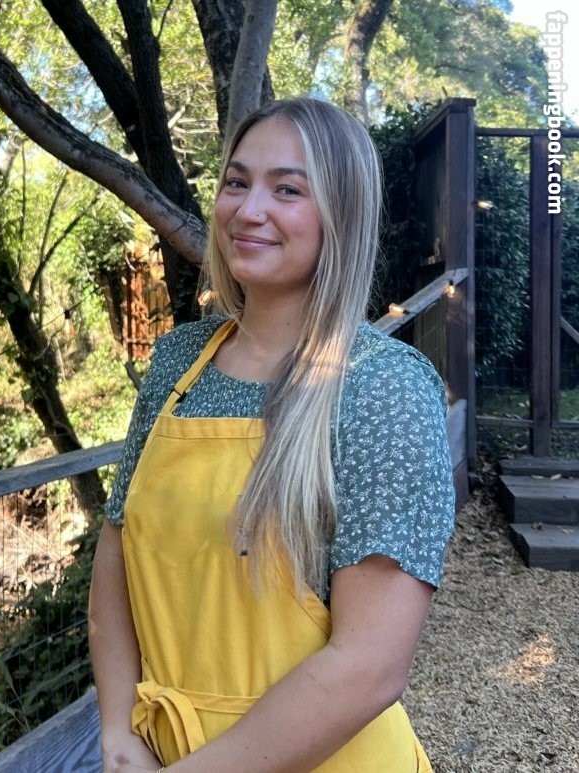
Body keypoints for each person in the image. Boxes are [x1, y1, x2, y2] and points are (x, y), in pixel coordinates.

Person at [88, 97, 456, 772]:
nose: (249, 209)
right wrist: (118, 731)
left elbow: (369, 665)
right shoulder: (178, 362)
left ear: (341, 214)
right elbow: (117, 549)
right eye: (237, 181)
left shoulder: (383, 388)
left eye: (287, 189)